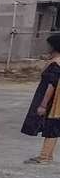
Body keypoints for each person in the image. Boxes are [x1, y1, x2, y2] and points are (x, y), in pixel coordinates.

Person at [21, 33, 60, 164]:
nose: (47, 47)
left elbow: (51, 85)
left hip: (52, 100)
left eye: (49, 44)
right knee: (52, 126)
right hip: (54, 99)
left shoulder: (56, 63)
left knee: (51, 126)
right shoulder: (55, 60)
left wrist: (43, 104)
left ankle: (44, 157)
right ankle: (47, 155)